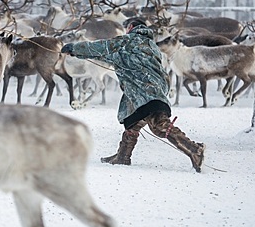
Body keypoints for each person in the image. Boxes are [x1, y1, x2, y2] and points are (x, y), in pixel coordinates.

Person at [61, 18, 205, 172]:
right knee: (133, 122)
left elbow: (104, 47)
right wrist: (80, 54)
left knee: (159, 125)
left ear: (130, 27)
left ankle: (194, 149)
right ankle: (123, 156)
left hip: (146, 92)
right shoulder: (149, 45)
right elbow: (111, 55)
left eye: (126, 29)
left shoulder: (131, 39)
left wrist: (76, 49)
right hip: (151, 89)